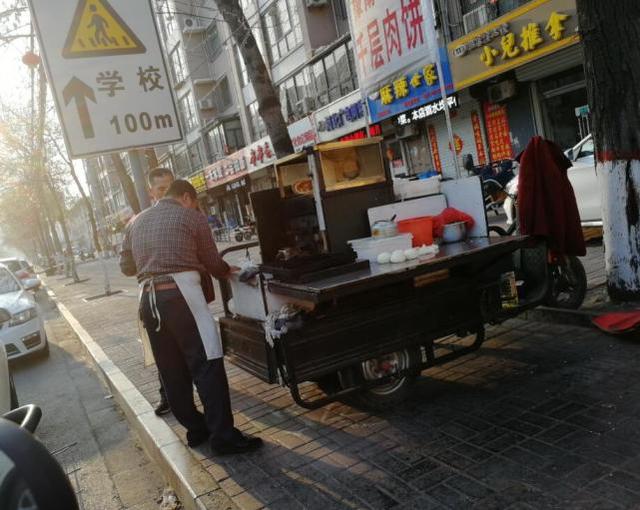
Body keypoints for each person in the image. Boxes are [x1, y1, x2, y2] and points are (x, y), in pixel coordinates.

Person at [120, 180, 262, 455]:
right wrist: (227, 269)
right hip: (181, 295)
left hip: (147, 301)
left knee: (171, 370)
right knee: (207, 363)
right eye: (195, 202)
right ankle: (223, 437)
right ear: (187, 198)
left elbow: (126, 267)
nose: (196, 207)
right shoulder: (191, 217)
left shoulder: (135, 222)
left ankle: (196, 430)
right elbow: (212, 262)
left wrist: (152, 260)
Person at [146, 167, 176, 416]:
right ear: (151, 192)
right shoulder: (142, 222)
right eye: (161, 189)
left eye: (170, 188)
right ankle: (167, 395)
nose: (167, 194)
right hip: (156, 298)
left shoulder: (187, 213)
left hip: (189, 295)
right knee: (164, 350)